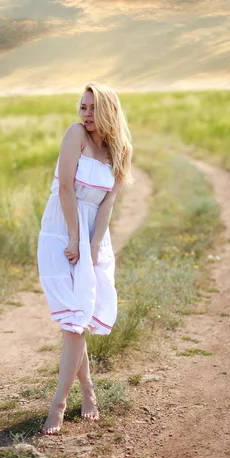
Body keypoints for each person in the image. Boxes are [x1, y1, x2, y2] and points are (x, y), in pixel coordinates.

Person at [37, 81, 133, 435]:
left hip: (94, 235)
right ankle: (61, 404)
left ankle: (85, 392)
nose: (86, 114)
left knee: (80, 318)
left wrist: (92, 246)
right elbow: (65, 186)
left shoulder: (122, 149)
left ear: (109, 110)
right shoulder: (75, 133)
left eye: (93, 108)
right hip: (61, 229)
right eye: (83, 107)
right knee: (73, 321)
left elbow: (108, 202)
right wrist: (75, 238)